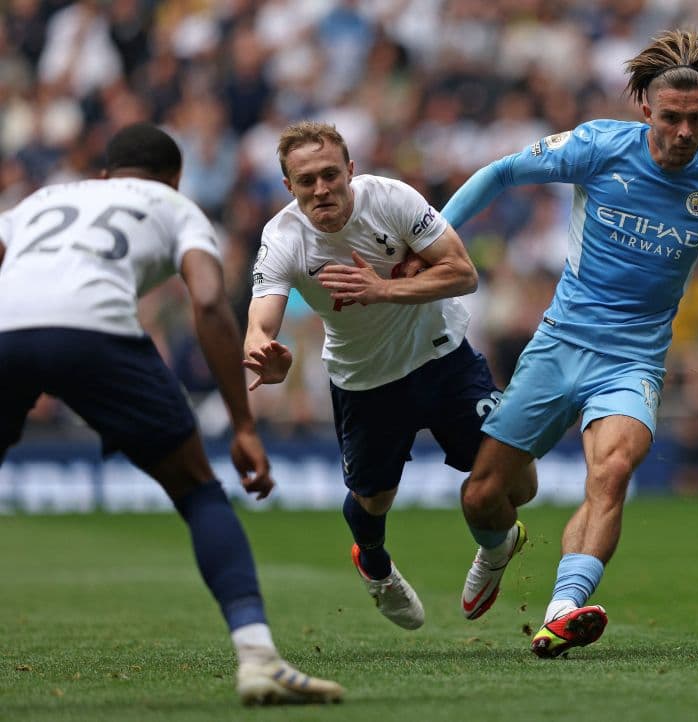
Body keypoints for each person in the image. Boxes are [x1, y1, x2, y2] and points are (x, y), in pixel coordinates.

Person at [441, 27, 698, 657]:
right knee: (484, 494)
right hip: (559, 345)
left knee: (610, 473)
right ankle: (499, 546)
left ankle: (562, 610)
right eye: (671, 118)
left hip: (633, 360)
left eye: (696, 119)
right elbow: (501, 172)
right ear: (645, 110)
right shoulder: (598, 146)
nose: (684, 132)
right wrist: (433, 236)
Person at [0, 122, 343, 705]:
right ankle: (258, 657)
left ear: (104, 175)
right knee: (198, 490)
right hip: (97, 333)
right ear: (175, 178)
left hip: (7, 332)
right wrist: (241, 424)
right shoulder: (175, 206)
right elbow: (208, 302)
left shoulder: (42, 198)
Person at [243, 121, 537, 630]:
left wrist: (382, 290)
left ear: (351, 171)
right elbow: (260, 317)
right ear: (288, 186)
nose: (321, 189)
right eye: (306, 180)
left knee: (519, 484)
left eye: (331, 174)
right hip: (365, 379)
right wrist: (263, 349)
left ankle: (495, 550)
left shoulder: (392, 199)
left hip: (443, 357)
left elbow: (463, 273)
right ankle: (375, 567)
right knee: (373, 501)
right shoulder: (283, 236)